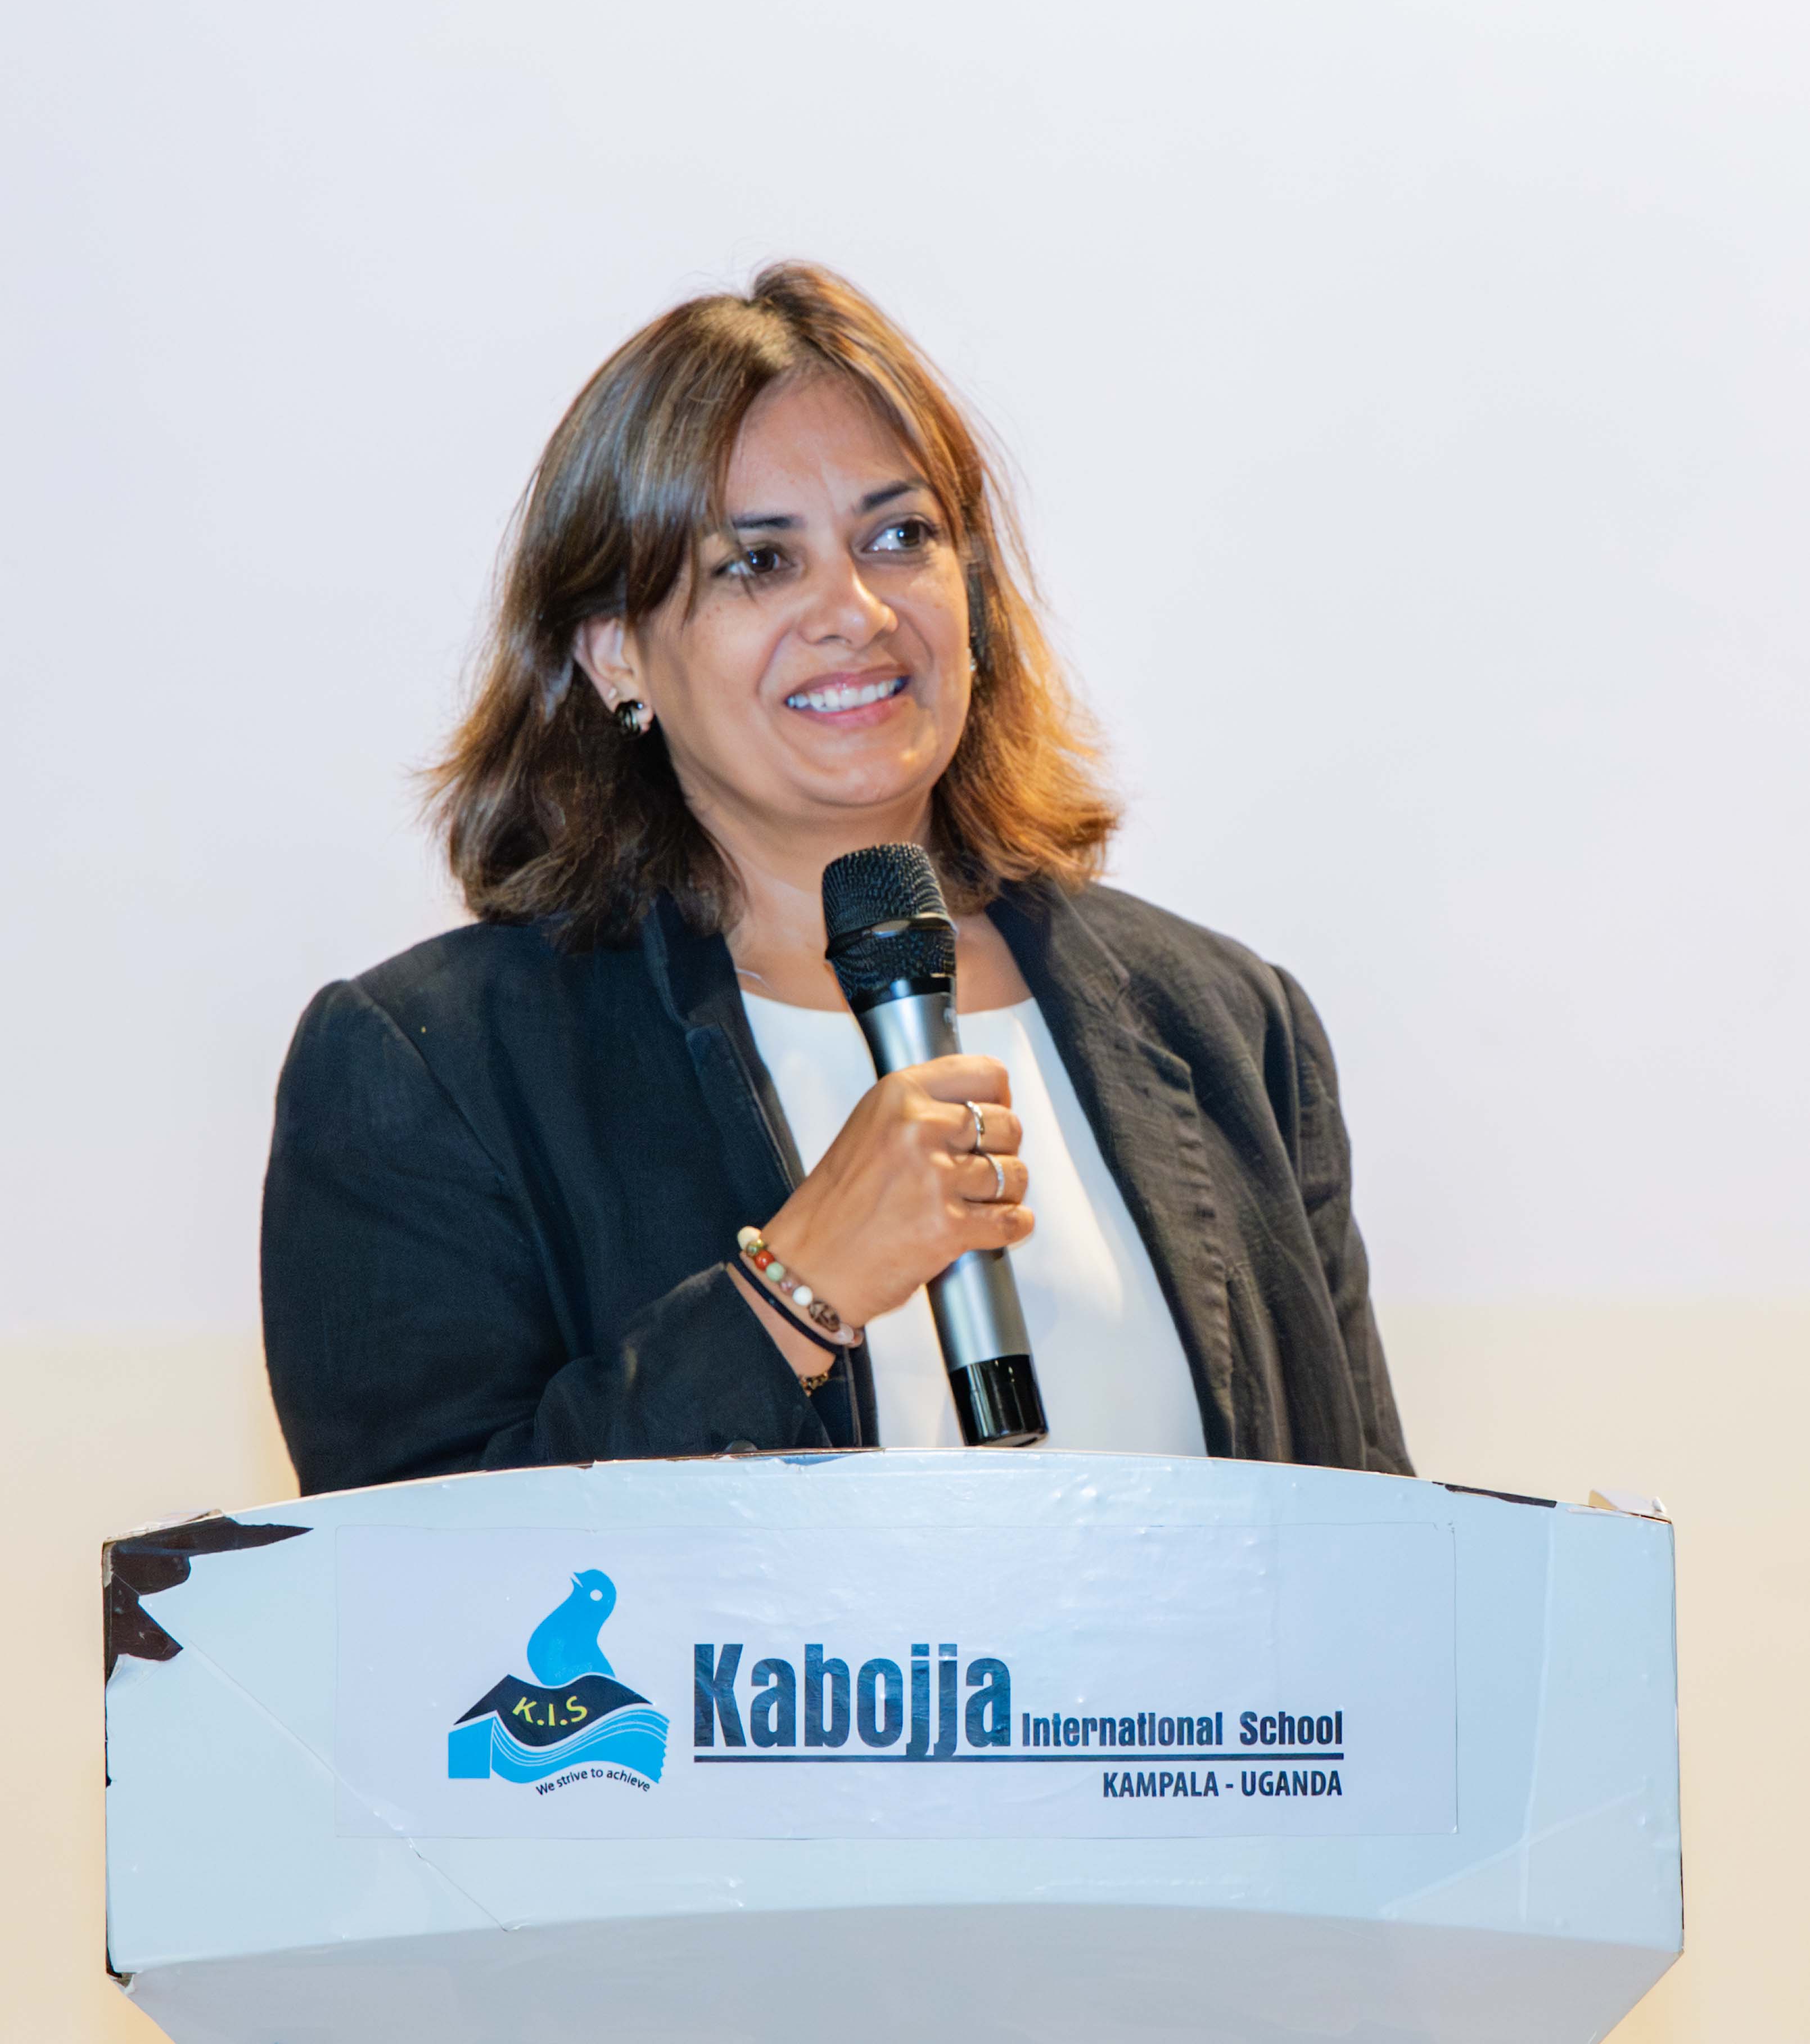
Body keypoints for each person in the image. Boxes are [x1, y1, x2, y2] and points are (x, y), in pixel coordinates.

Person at [261, 263, 1410, 1494]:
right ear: (614, 655)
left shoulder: (1230, 1025)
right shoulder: (433, 1069)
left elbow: (1376, 1543)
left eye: (898, 537)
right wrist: (792, 1293)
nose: (854, 611)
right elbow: (423, 1573)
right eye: (758, 562)